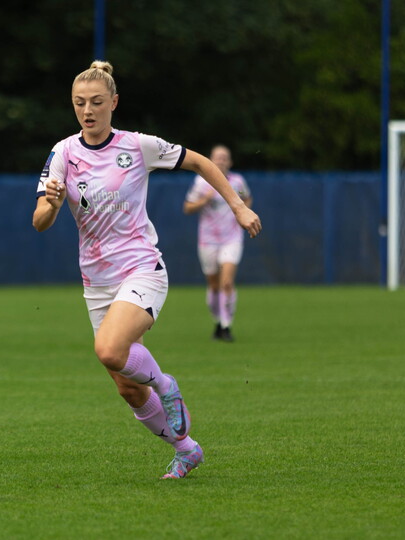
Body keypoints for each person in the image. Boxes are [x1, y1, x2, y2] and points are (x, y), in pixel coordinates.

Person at [32, 61, 261, 479]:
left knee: (109, 350)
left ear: (114, 103)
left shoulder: (137, 145)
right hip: (96, 281)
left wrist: (238, 205)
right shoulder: (63, 153)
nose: (88, 110)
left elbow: (202, 164)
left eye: (97, 102)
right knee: (125, 385)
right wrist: (50, 200)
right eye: (80, 103)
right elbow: (40, 222)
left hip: (142, 268)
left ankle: (166, 384)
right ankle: (186, 448)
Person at [183, 145, 253, 342]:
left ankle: (226, 326)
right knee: (214, 286)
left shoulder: (238, 182)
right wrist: (205, 199)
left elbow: (247, 199)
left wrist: (242, 214)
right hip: (208, 241)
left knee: (227, 283)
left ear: (230, 162)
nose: (221, 161)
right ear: (210, 161)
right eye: (217, 158)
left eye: (225, 158)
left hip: (232, 238)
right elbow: (187, 207)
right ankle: (217, 320)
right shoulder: (201, 183)